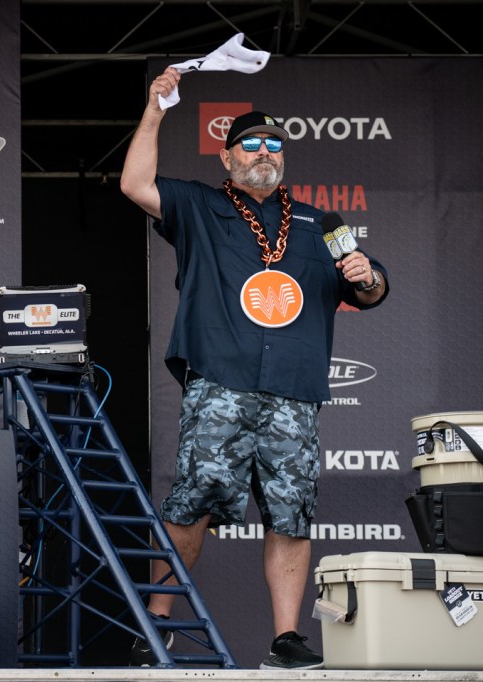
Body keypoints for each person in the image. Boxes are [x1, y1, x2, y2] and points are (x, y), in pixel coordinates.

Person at [119, 66, 389, 670]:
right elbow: (135, 184)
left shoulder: (321, 225)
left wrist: (366, 277)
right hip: (221, 381)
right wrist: (157, 108)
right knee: (194, 501)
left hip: (293, 390)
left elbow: (371, 290)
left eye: (274, 144)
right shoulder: (199, 205)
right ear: (227, 156)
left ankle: (286, 639)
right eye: (250, 143)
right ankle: (156, 624)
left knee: (291, 512)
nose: (264, 151)